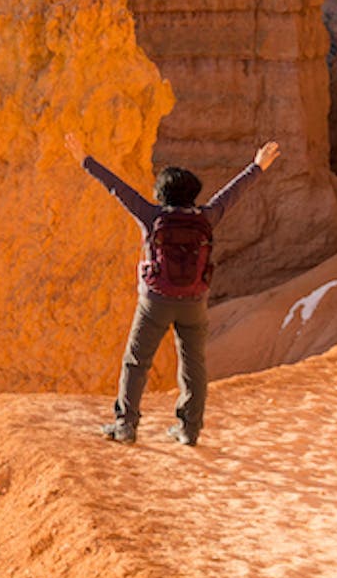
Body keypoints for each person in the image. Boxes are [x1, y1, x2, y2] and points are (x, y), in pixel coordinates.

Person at [65, 132, 279, 446]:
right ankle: (189, 430)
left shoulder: (152, 217)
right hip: (194, 300)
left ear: (162, 193)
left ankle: (125, 426)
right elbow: (233, 193)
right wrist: (257, 166)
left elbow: (118, 188)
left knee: (137, 361)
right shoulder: (206, 217)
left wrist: (86, 160)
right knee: (193, 363)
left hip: (155, 301)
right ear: (192, 194)